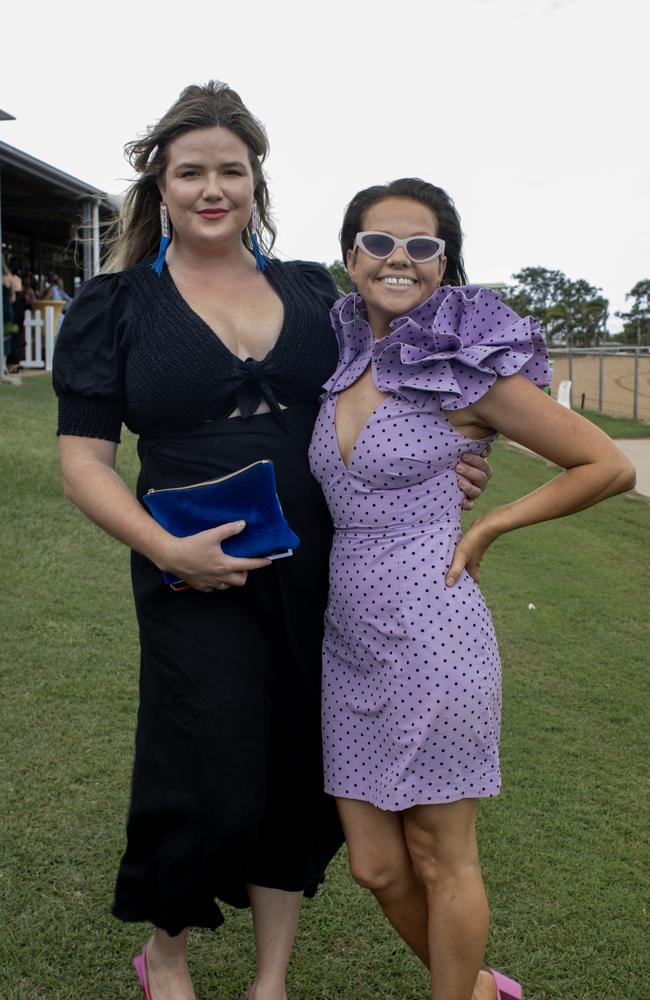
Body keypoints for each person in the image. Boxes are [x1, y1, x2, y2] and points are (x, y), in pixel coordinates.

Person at [52, 86, 491, 1000]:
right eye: (191, 173)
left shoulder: (310, 291)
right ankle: (164, 959)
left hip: (318, 571)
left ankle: (271, 978)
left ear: (256, 183)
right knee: (202, 759)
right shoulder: (116, 304)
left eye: (231, 172)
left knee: (292, 765)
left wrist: (457, 456)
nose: (213, 189)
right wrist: (167, 553)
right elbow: (85, 462)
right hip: (189, 571)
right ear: (160, 187)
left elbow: (389, 395)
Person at [308, 178, 635, 1000]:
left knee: (440, 856)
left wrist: (489, 526)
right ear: (352, 256)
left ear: (444, 266)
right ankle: (483, 991)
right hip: (347, 639)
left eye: (422, 246)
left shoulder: (464, 372)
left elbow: (609, 464)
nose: (399, 259)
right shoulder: (343, 361)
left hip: (434, 632)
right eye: (380, 241)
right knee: (377, 867)